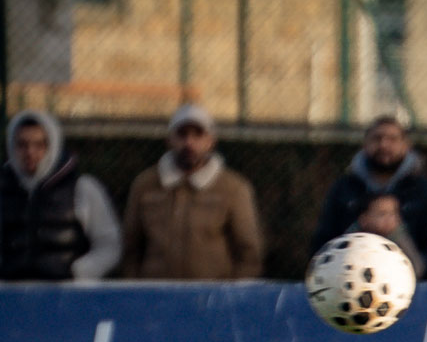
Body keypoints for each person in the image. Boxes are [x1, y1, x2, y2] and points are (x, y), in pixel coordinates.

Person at [120, 104, 263, 279]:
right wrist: (137, 291)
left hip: (212, 297)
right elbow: (130, 247)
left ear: (211, 140)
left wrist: (230, 297)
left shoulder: (234, 188)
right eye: (182, 134)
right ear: (170, 140)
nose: (189, 142)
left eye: (197, 135)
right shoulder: (145, 185)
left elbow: (249, 253)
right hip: (155, 295)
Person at [0, 109, 121, 281]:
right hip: (11, 296)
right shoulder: (3, 189)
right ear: (11, 146)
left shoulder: (83, 189)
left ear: (53, 146)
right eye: (22, 144)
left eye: (40, 145)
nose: (30, 152)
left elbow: (109, 244)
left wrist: (81, 272)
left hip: (67, 296)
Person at [309, 114, 427, 279]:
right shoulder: (344, 188)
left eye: (392, 139)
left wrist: (396, 231)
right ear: (365, 144)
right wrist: (362, 226)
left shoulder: (425, 191)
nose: (383, 145)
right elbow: (323, 244)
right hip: (348, 280)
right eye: (377, 138)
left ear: (406, 145)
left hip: (412, 282)